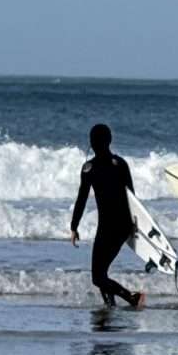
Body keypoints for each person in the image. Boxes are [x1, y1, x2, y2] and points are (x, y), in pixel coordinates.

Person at [69, 123, 146, 310]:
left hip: (107, 227)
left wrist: (74, 226)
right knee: (101, 273)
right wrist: (135, 225)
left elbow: (81, 199)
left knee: (97, 277)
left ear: (91, 143)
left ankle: (132, 298)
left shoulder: (89, 168)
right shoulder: (120, 164)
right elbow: (132, 197)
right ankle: (110, 306)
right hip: (123, 225)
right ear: (109, 141)